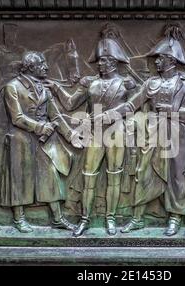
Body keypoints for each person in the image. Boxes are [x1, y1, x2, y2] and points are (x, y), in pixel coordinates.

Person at [102, 24, 185, 236]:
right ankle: (137, 218)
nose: (156, 61)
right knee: (143, 173)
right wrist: (108, 115)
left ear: (172, 61)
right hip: (153, 135)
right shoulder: (150, 83)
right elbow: (131, 105)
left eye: (160, 58)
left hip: (177, 137)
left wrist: (171, 110)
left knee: (177, 177)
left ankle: (174, 217)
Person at [51, 31, 138, 236]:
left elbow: (134, 106)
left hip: (116, 132)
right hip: (95, 133)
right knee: (88, 177)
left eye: (105, 60)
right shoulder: (89, 82)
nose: (100, 64)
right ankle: (85, 219)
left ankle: (110, 218)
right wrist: (55, 88)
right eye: (99, 60)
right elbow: (70, 102)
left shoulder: (126, 83)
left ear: (115, 62)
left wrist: (114, 115)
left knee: (114, 177)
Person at [0, 51, 83, 233]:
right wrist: (40, 127)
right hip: (20, 140)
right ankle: (19, 218)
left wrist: (71, 136)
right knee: (20, 178)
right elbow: (16, 117)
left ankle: (58, 218)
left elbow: (56, 116)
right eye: (42, 64)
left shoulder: (44, 89)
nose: (46, 67)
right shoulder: (12, 87)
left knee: (50, 176)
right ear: (31, 67)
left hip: (43, 141)